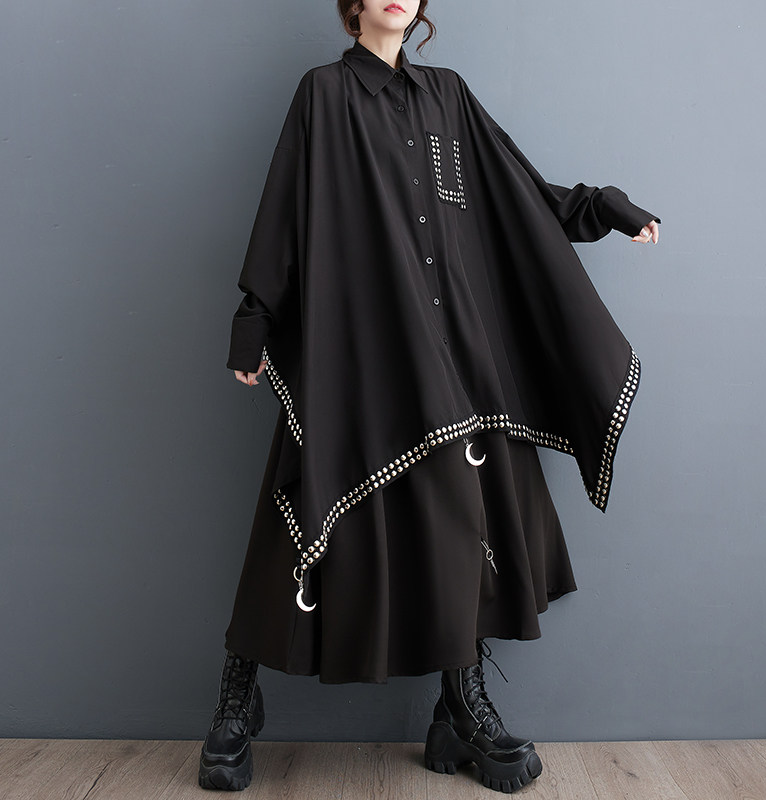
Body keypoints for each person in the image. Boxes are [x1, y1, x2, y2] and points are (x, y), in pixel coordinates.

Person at [198, 0, 661, 793]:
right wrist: (256, 315)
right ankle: (237, 704)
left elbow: (514, 190)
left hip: (452, 348)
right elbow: (285, 205)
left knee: (463, 512)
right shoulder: (324, 93)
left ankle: (460, 708)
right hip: (361, 345)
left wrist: (600, 206)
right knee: (306, 501)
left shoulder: (446, 94)